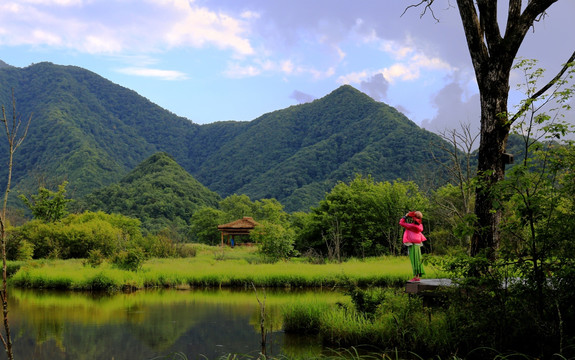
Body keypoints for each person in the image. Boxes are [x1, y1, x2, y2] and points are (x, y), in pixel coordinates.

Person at [399, 211, 427, 282]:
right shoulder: (419, 225)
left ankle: (416, 277)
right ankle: (417, 276)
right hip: (417, 244)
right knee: (417, 259)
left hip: (413, 244)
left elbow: (401, 223)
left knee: (414, 260)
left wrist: (405, 216)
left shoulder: (412, 226)